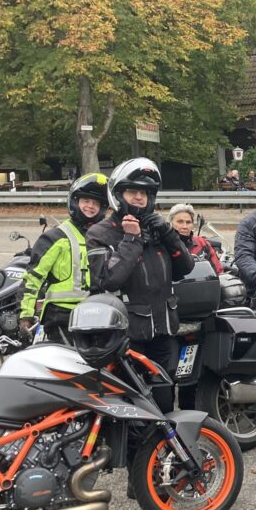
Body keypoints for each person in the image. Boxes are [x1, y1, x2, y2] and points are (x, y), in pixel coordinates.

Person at [86, 157, 194, 413]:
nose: (139, 197)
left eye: (144, 193)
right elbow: (107, 279)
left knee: (165, 402)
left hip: (163, 332)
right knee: (132, 409)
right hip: (127, 338)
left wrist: (169, 235)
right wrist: (131, 240)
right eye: (132, 191)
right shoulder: (101, 233)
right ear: (119, 195)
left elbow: (185, 268)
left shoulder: (157, 228)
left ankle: (161, 452)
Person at [19, 173, 109, 342]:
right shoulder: (56, 237)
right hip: (61, 316)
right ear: (75, 202)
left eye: (96, 203)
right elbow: (33, 279)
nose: (90, 206)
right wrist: (26, 316)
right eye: (86, 201)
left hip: (94, 313)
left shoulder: (103, 237)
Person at [168, 203, 223, 273]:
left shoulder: (203, 244)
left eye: (188, 222)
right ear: (170, 223)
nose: (185, 226)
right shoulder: (163, 246)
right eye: (180, 222)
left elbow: (219, 272)